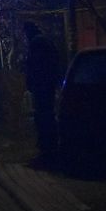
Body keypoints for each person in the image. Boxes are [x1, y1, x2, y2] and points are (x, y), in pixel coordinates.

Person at [24, 22, 61, 160]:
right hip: (48, 84)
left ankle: (46, 148)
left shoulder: (37, 43)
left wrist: (32, 81)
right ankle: (49, 146)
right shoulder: (45, 41)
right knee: (47, 114)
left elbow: (34, 65)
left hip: (42, 85)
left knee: (43, 115)